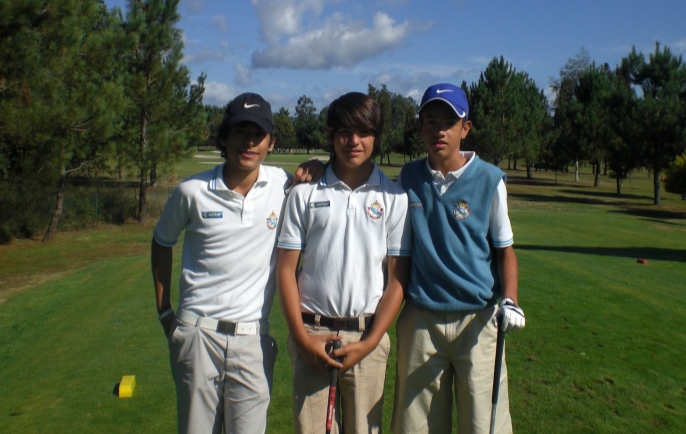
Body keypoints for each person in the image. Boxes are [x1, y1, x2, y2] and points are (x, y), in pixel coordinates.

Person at [151, 92, 323, 434]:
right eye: (239, 132)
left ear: (271, 142)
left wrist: (320, 164)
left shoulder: (284, 186)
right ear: (223, 137)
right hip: (198, 334)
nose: (249, 142)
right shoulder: (191, 191)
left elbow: (335, 170)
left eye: (258, 135)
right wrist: (165, 313)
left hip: (253, 340)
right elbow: (161, 242)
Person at [391, 83, 526, 434]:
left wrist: (510, 299)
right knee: (415, 426)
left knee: (482, 424)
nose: (439, 130)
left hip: (478, 321)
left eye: (449, 122)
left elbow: (504, 251)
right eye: (431, 121)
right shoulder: (409, 177)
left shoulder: (490, 179)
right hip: (422, 320)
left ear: (465, 128)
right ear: (419, 126)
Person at [276, 92, 411, 434]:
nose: (354, 141)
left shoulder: (394, 198)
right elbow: (285, 270)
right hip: (311, 333)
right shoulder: (303, 193)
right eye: (344, 133)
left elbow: (397, 280)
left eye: (364, 132)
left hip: (367, 335)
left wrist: (369, 342)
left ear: (376, 137)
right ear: (331, 135)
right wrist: (302, 341)